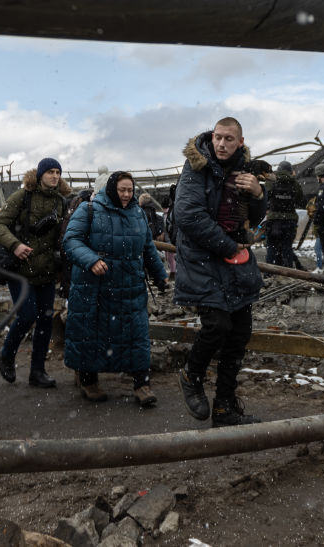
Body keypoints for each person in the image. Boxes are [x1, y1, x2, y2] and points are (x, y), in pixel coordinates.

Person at [174, 117, 266, 427]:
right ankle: (191, 375)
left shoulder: (245, 170)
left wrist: (257, 194)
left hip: (234, 261)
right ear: (211, 138)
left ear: (241, 142)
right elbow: (187, 215)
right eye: (218, 137)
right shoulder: (195, 167)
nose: (222, 144)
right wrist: (229, 248)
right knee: (217, 325)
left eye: (229, 139)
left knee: (240, 332)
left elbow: (252, 218)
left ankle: (225, 406)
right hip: (202, 259)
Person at [63, 172, 168, 406]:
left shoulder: (138, 212)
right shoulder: (89, 209)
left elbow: (148, 247)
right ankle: (89, 381)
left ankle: (142, 384)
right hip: (95, 287)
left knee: (137, 336)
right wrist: (91, 260)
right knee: (91, 334)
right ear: (111, 189)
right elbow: (71, 241)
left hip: (130, 286)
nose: (126, 194)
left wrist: (160, 276)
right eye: (122, 190)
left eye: (130, 190)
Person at [0, 157, 71, 387]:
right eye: (50, 172)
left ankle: (38, 371)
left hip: (46, 271)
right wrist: (14, 245)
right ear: (40, 175)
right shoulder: (23, 196)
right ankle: (6, 353)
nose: (55, 176)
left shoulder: (60, 201)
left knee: (45, 321)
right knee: (27, 316)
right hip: (20, 271)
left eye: (58, 172)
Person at [265, 161, 305, 269]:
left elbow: (264, 198)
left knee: (271, 248)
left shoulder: (271, 181)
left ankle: (269, 274)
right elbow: (301, 201)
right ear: (290, 171)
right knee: (287, 248)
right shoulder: (295, 184)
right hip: (289, 221)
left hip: (273, 221)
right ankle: (287, 274)